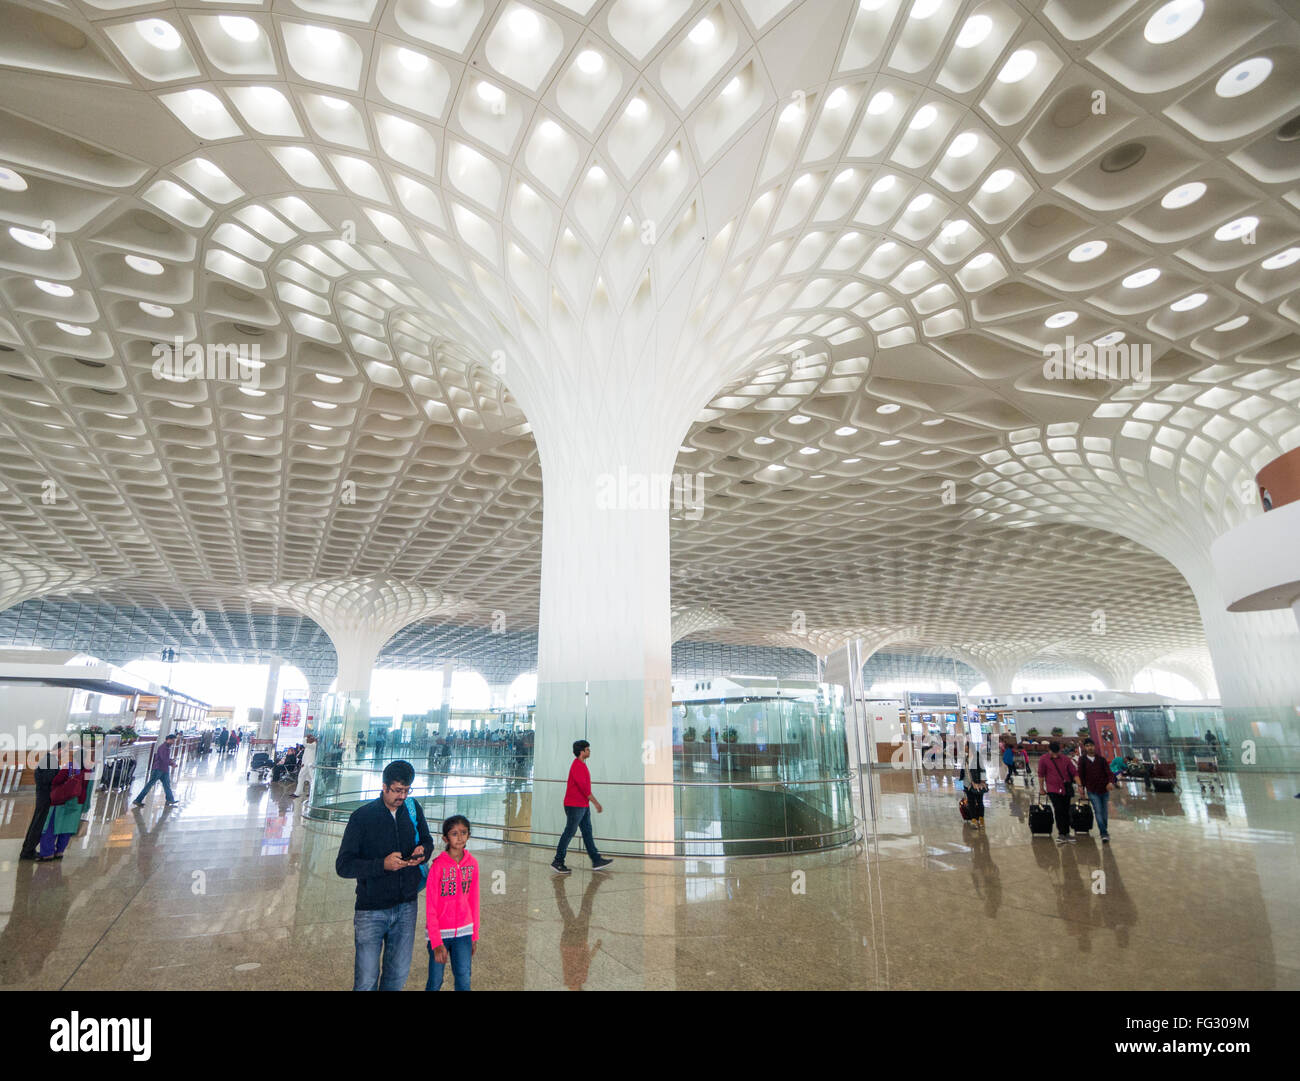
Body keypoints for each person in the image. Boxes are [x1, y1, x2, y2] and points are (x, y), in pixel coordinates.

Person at [335, 760, 433, 991]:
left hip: (407, 905)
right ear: (384, 787)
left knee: (397, 976)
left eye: (407, 790)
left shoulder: (412, 808)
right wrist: (382, 865)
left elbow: (427, 840)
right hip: (372, 909)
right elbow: (344, 865)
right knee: (367, 980)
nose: (402, 796)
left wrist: (423, 852)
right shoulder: (363, 817)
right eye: (398, 790)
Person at [425, 814, 479, 991]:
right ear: (445, 838)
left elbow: (474, 899)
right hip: (440, 932)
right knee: (435, 980)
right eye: (454, 833)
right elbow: (431, 905)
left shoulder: (472, 864)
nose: (460, 837)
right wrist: (435, 941)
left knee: (464, 978)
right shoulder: (438, 866)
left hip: (464, 932)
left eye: (463, 832)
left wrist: (474, 935)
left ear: (469, 835)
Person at [551, 740, 615, 874]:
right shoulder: (577, 766)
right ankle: (558, 861)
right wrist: (596, 803)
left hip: (582, 805)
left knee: (587, 832)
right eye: (587, 749)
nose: (589, 751)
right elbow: (585, 789)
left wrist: (589, 804)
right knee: (569, 832)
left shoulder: (581, 765)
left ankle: (596, 860)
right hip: (574, 805)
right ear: (582, 752)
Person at [38, 749, 91, 861]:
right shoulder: (88, 771)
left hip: (61, 802)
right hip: (77, 803)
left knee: (51, 828)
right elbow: (88, 789)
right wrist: (85, 806)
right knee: (66, 829)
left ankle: (47, 853)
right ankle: (59, 852)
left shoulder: (70, 767)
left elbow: (56, 781)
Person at [19, 742, 62, 860]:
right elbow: (49, 779)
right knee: (38, 825)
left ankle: (28, 849)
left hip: (43, 796)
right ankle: (27, 851)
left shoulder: (48, 759)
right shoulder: (50, 760)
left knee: (36, 823)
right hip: (45, 797)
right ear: (59, 749)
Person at [1038, 740, 1079, 845]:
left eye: (1057, 753)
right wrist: (1041, 788)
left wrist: (1080, 786)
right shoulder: (1044, 759)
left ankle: (1067, 833)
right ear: (1049, 750)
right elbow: (1041, 774)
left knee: (1066, 810)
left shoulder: (1065, 759)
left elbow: (1074, 772)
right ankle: (1062, 833)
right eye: (1053, 752)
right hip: (1053, 789)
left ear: (1060, 750)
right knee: (1059, 810)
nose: (1055, 755)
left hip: (1066, 789)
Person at [1077, 737, 1116, 843]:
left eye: (1091, 745)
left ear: (1095, 746)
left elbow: (1109, 773)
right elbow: (1081, 775)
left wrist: (1110, 782)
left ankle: (1104, 828)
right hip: (1092, 790)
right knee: (1098, 811)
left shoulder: (1101, 760)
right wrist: (1081, 788)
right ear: (1085, 747)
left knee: (1104, 813)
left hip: (1104, 789)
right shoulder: (1082, 760)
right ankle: (1104, 833)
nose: (1090, 748)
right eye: (1088, 746)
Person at [132, 733, 179, 807]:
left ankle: (170, 799)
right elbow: (163, 759)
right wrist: (171, 763)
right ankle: (138, 800)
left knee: (167, 785)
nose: (174, 742)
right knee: (149, 785)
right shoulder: (163, 747)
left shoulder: (167, 748)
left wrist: (171, 762)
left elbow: (166, 759)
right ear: (168, 740)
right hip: (158, 769)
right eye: (173, 740)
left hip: (164, 769)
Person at [961, 744, 989, 830]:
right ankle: (973, 819)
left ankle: (981, 819)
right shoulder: (965, 758)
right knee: (971, 802)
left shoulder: (977, 758)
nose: (964, 748)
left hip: (977, 784)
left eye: (965, 746)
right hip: (967, 784)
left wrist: (982, 781)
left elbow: (982, 769)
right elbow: (964, 770)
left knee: (979, 802)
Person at [293, 735, 317, 800]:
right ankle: (298, 792)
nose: (307, 740)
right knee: (301, 777)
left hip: (310, 764)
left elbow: (304, 744)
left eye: (309, 739)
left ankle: (313, 792)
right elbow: (305, 756)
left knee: (312, 778)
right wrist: (303, 763)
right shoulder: (308, 746)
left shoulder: (313, 745)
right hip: (305, 765)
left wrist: (305, 738)